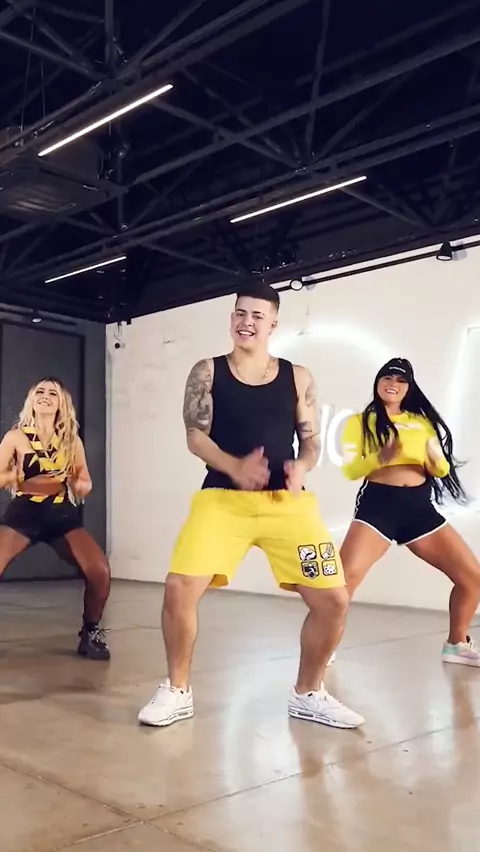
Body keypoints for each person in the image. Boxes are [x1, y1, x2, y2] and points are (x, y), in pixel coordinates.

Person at [138, 282, 364, 729]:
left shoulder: (298, 376)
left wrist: (302, 466)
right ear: (231, 318)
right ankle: (178, 690)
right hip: (222, 500)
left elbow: (311, 441)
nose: (247, 322)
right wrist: (234, 466)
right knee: (179, 588)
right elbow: (195, 436)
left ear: (273, 324)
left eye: (258, 316)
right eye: (241, 313)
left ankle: (308, 693)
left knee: (334, 600)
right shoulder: (207, 371)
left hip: (288, 502)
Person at [337, 357, 480, 666]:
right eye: (387, 378)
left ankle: (457, 645)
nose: (393, 384)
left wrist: (432, 461)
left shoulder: (420, 423)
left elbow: (441, 468)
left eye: (401, 380)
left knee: (473, 577)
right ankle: (323, 648)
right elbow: (350, 470)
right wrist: (381, 457)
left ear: (409, 387)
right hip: (378, 507)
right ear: (377, 383)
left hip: (418, 508)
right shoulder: (359, 422)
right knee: (343, 580)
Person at [0, 377, 111, 660]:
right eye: (40, 391)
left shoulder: (71, 441)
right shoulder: (16, 437)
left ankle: (90, 633)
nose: (45, 396)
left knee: (99, 571)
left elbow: (83, 477)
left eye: (53, 393)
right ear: (31, 399)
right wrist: (14, 476)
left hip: (60, 512)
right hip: (24, 512)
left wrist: (81, 484)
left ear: (61, 403)